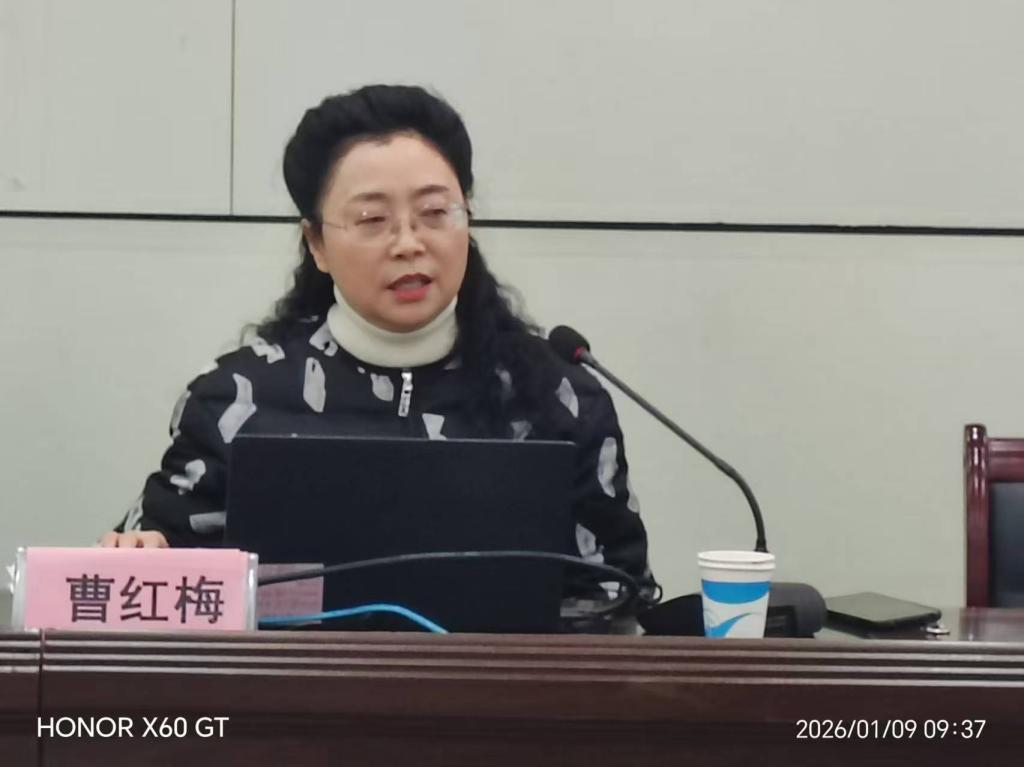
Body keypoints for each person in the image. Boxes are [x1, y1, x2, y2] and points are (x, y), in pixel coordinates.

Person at [100, 84, 654, 604]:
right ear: (316, 243)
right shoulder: (235, 399)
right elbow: (156, 580)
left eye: (435, 213)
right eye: (372, 219)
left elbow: (616, 601)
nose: (409, 243)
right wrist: (137, 560)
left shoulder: (559, 397)